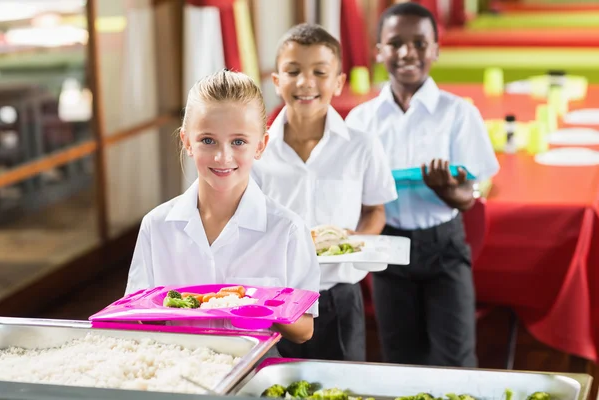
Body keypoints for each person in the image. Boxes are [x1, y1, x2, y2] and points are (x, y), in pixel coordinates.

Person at [346, 2, 499, 367]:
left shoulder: (459, 113)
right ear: (378, 50)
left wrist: (450, 192)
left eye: (419, 43)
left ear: (436, 49)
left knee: (457, 359)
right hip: (388, 246)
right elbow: (351, 191)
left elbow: (472, 194)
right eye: (395, 43)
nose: (407, 53)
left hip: (443, 246)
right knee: (400, 358)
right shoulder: (361, 120)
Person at [125, 69, 320, 344]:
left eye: (238, 142)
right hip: (174, 362)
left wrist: (256, 304)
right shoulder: (157, 225)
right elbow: (136, 315)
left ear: (261, 145)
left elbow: (304, 330)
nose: (222, 156)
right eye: (207, 140)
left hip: (254, 364)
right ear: (187, 142)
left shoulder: (287, 229)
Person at [252, 24, 397, 361]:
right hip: (275, 296)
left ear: (338, 82)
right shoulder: (257, 151)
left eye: (320, 72)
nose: (306, 82)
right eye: (293, 71)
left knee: (343, 387)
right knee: (275, 383)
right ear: (276, 81)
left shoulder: (361, 146)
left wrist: (357, 241)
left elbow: (376, 210)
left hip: (339, 296)